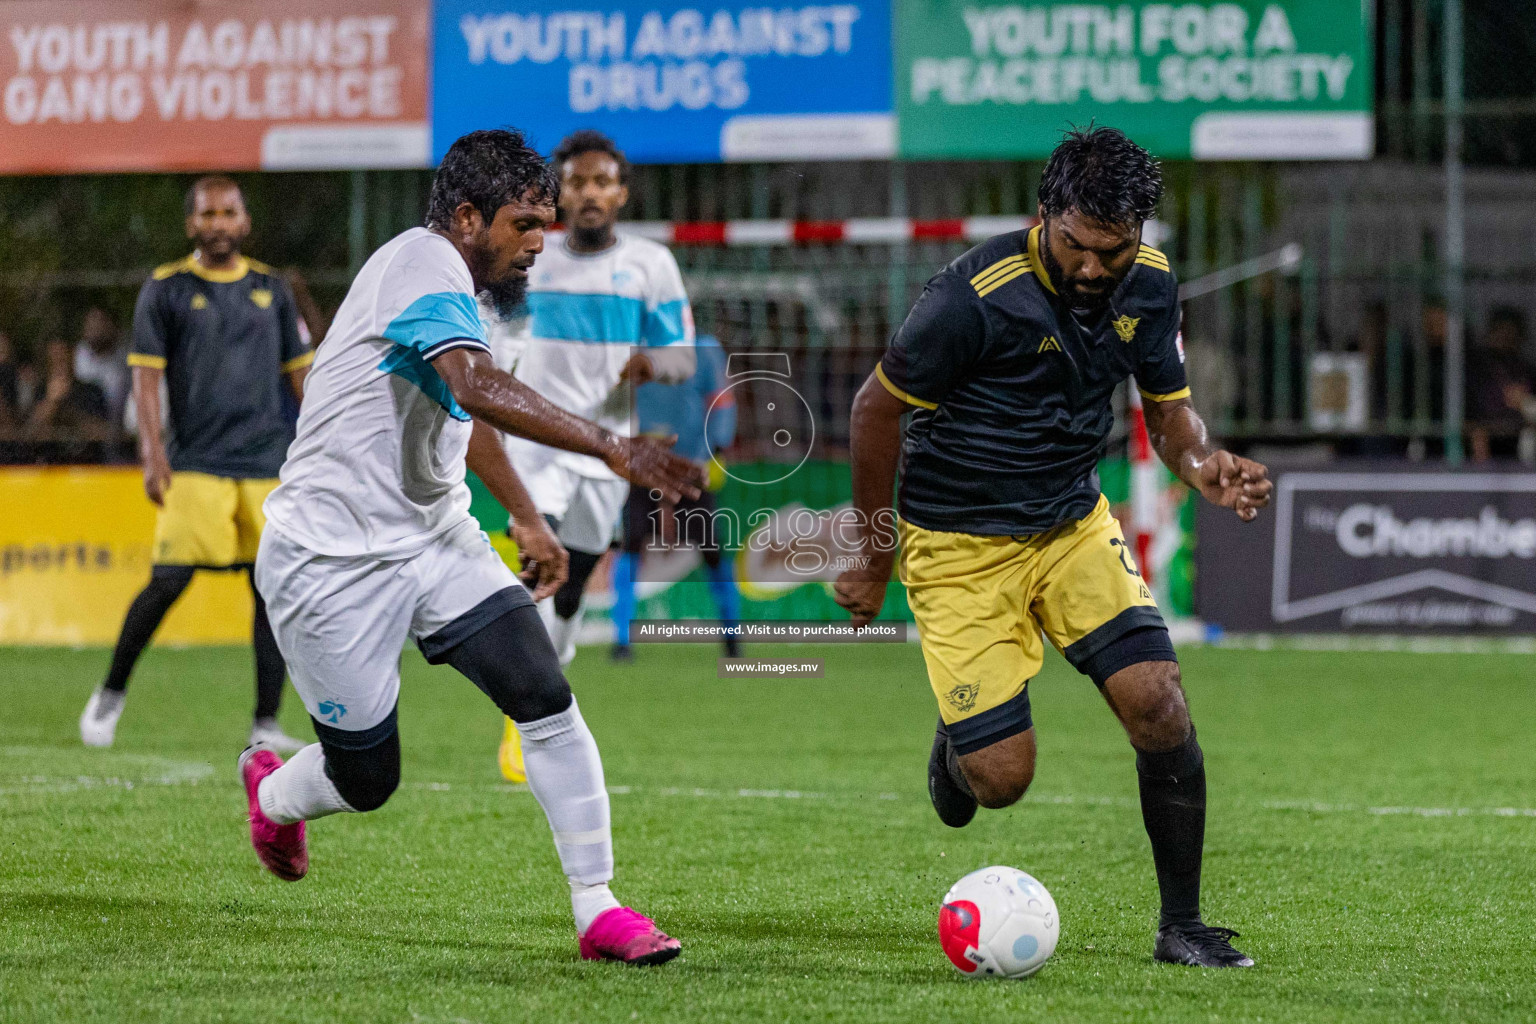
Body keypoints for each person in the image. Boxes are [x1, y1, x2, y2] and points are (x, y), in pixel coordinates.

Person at [242, 128, 702, 965]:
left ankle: (597, 908)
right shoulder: (421, 263)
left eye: (546, 224)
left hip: (434, 536)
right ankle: (273, 794)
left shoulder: (482, 295)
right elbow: (474, 384)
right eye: (525, 224)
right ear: (465, 216)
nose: (540, 242)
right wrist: (610, 446)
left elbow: (467, 410)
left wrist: (524, 514)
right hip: (329, 559)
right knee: (367, 780)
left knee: (544, 693)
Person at [834, 127, 1272, 969]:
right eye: (1076, 245)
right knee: (1001, 782)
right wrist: (871, 552)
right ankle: (961, 750)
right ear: (1044, 216)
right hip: (958, 545)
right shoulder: (972, 296)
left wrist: (1200, 462)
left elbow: (1169, 409)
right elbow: (872, 412)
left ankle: (1182, 924)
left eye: (1114, 249)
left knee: (1159, 703)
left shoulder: (1149, 283)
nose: (1093, 268)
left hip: (1071, 526)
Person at [78, 176, 313, 752]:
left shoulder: (271, 288)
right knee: (167, 582)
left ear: (244, 221)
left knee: (271, 591)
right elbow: (146, 377)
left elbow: (301, 375)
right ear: (192, 225)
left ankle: (265, 721)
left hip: (266, 463)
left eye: (228, 212)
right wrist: (152, 454)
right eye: (207, 214)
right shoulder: (165, 289)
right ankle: (110, 693)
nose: (218, 223)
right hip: (197, 464)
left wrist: (323, 447)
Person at [493, 130, 695, 782]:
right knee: (537, 558)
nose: (588, 193)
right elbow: (490, 327)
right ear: (558, 191)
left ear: (621, 193)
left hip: (609, 452)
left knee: (575, 584)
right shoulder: (531, 255)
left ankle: (553, 659)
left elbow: (681, 356)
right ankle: (522, 720)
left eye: (601, 182)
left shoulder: (650, 264)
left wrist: (648, 362)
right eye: (576, 182)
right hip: (537, 439)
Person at [609, 334, 741, 663]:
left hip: (690, 467)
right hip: (643, 465)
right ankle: (622, 639)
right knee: (630, 545)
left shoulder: (705, 349)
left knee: (712, 550)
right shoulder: (632, 345)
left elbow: (722, 401)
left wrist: (716, 446)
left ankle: (732, 635)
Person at [1468, 306, 1535, 462]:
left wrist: (1525, 403)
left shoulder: (1526, 369)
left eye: (1511, 331)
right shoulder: (1478, 365)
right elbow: (1471, 408)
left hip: (1521, 439)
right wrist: (1477, 432)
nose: (1505, 336)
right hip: (1487, 438)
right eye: (1501, 330)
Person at [73, 306, 131, 425]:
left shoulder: (127, 352)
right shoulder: (78, 354)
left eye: (100, 321)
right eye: (90, 323)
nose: (95, 328)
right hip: (89, 426)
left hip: (124, 425)